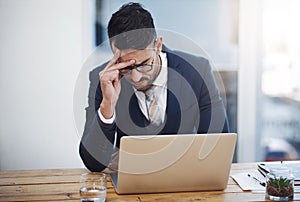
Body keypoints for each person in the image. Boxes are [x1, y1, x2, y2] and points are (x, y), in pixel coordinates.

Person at [79, 2, 229, 172]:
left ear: (157, 46)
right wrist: (108, 105)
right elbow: (93, 163)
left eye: (144, 64)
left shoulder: (197, 70)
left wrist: (147, 161)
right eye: (125, 67)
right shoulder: (104, 79)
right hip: (131, 190)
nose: (136, 78)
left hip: (184, 183)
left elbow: (218, 145)